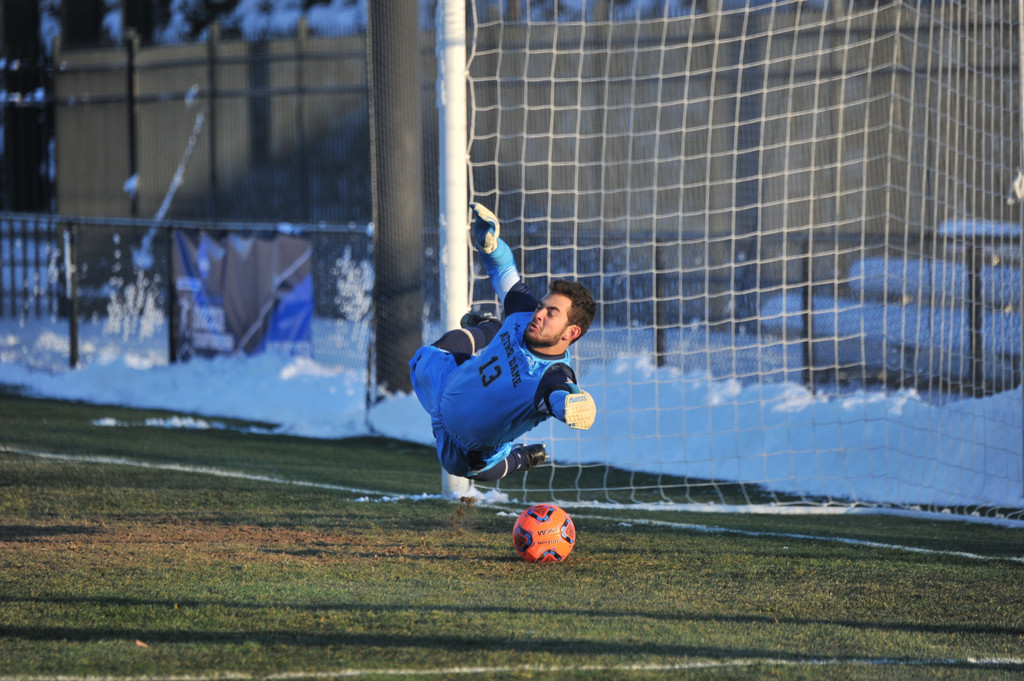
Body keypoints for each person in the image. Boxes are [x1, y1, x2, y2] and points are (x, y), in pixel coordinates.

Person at [409, 203, 597, 481]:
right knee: (423, 358)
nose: (539, 313)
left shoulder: (553, 375)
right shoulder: (524, 313)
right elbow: (504, 272)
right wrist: (491, 246)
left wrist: (573, 406)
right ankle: (491, 329)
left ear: (571, 333)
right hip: (445, 385)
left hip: (464, 448)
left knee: (472, 471)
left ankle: (522, 457)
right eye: (541, 306)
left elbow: (559, 395)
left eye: (551, 313)